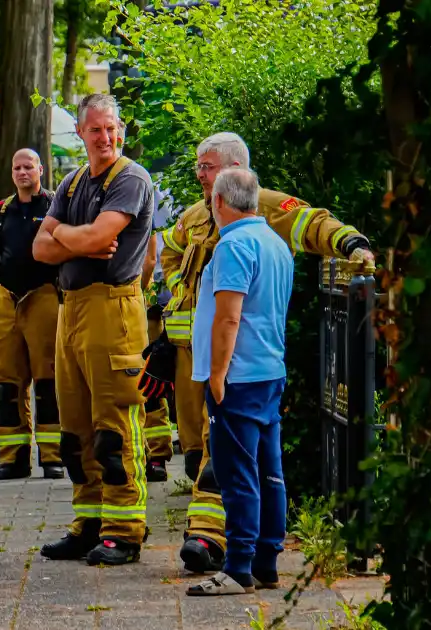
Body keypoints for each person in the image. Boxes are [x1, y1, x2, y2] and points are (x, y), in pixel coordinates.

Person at [138, 132, 376, 575]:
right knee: (196, 452)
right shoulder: (196, 215)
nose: (199, 174)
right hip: (192, 354)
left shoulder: (260, 207)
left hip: (231, 361)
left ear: (232, 168)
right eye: (198, 166)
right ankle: (236, 540)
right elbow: (167, 248)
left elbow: (313, 223)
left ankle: (209, 541)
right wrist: (173, 297)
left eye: (206, 166)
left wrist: (351, 244)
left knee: (223, 455)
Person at [31, 93, 156, 566]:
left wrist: (65, 236)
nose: (107, 138)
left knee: (115, 427)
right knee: (75, 429)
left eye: (113, 129)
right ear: (80, 133)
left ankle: (124, 530)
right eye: (97, 130)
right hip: (71, 310)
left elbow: (102, 238)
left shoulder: (131, 179)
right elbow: (40, 250)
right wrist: (73, 239)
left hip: (113, 310)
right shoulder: (73, 180)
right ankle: (89, 524)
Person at [184, 168, 293, 596]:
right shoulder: (275, 243)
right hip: (269, 370)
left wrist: (216, 375)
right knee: (271, 472)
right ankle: (267, 562)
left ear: (222, 203)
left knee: (237, 473)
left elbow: (229, 316)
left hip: (238, 376)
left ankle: (238, 567)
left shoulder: (233, 245)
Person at [0, 148, 64, 481]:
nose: (22, 172)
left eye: (28, 166)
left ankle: (53, 457)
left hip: (44, 296)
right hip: (5, 300)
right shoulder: (1, 211)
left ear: (41, 170)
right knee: (7, 383)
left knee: (48, 381)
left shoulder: (56, 205)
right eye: (17, 167)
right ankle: (13, 459)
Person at [139, 235, 172, 482]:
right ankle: (154, 454)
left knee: (150, 381)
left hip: (142, 304)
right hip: (144, 304)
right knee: (149, 383)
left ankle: (156, 454)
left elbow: (150, 260)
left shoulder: (136, 199)